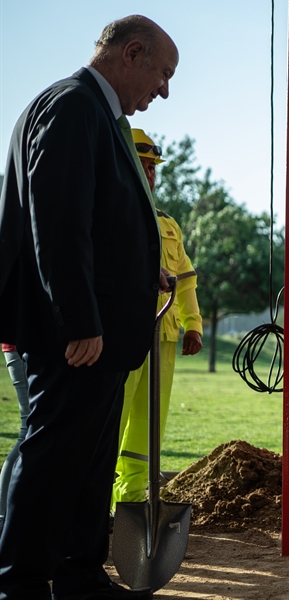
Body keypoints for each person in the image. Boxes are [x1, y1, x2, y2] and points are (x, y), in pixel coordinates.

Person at [0, 15, 178, 600]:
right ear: (132, 53)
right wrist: (78, 320)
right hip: (74, 335)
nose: (164, 90)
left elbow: (98, 218)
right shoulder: (73, 107)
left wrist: (139, 265)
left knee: (89, 462)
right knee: (52, 458)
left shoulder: (96, 113)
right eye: (163, 73)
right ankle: (20, 584)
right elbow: (58, 221)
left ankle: (78, 575)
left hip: (103, 335)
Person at [111, 130, 203, 511]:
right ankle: (93, 503)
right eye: (143, 166)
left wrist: (193, 323)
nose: (149, 174)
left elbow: (186, 278)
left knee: (150, 426)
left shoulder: (168, 224)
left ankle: (132, 501)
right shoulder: (110, 212)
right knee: (111, 421)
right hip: (123, 333)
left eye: (153, 168)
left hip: (163, 337)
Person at [0, 345, 29, 532]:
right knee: (29, 430)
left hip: (23, 344)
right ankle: (3, 519)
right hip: (24, 345)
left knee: (29, 429)